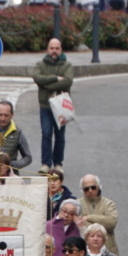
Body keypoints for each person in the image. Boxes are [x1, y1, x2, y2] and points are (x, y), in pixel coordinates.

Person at [32, 38, 74, 171]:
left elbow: (67, 81)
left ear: (61, 50)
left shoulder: (67, 65)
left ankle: (58, 164)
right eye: (52, 48)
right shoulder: (40, 64)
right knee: (46, 134)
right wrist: (55, 78)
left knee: (60, 136)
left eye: (57, 48)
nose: (54, 51)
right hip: (45, 105)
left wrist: (46, 85)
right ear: (47, 49)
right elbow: (37, 78)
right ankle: (45, 164)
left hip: (61, 106)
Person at [76, 174, 120, 256]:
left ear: (99, 187)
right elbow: (78, 226)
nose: (90, 190)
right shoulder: (77, 205)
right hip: (85, 253)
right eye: (86, 189)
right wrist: (102, 222)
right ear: (82, 190)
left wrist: (88, 217)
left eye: (93, 187)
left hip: (108, 252)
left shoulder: (109, 204)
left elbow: (111, 223)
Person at [0, 101, 32, 171]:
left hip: (11, 174)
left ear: (12, 115)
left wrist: (11, 165)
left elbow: (28, 158)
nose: (3, 118)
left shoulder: (18, 133)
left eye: (6, 115)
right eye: (0, 115)